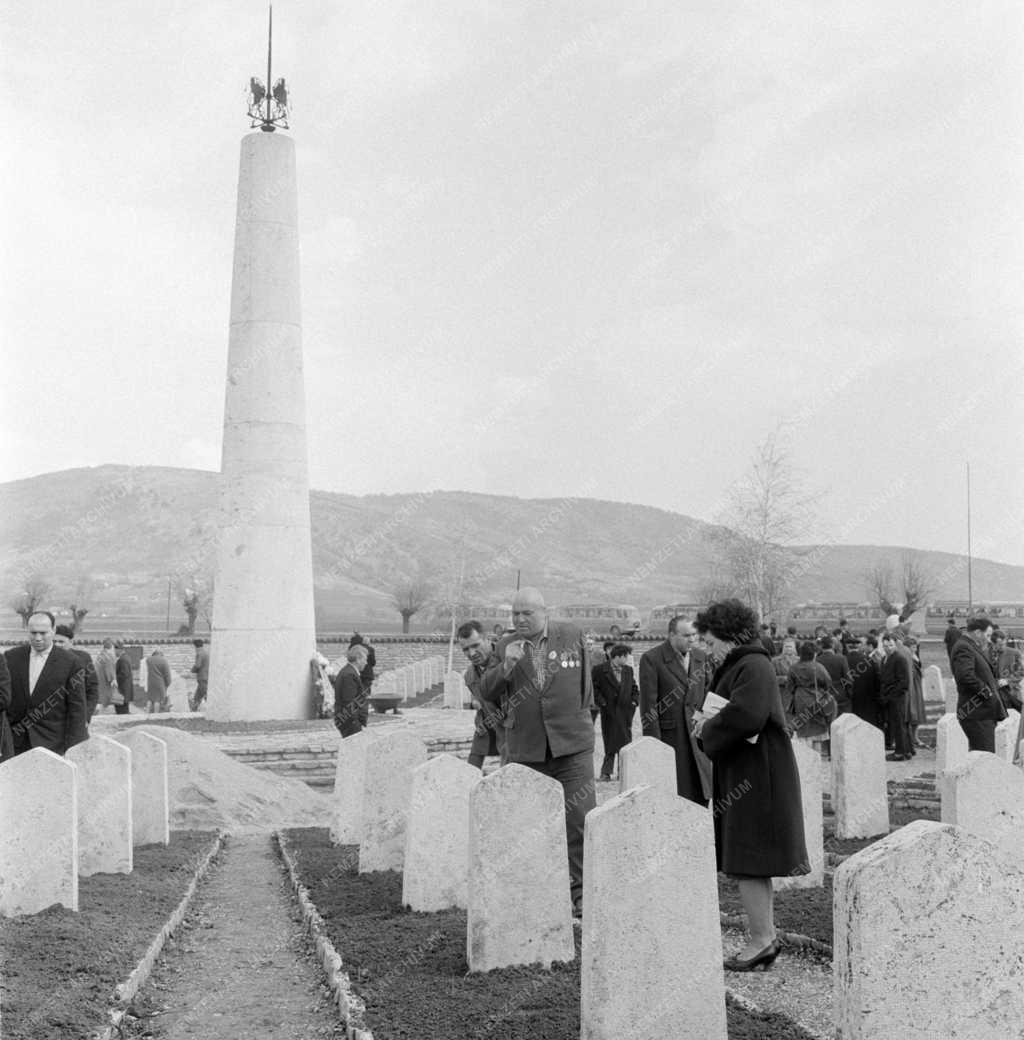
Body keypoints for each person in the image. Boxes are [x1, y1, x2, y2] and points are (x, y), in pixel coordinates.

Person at [690, 599, 808, 972]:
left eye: (710, 641)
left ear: (728, 635)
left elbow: (747, 717)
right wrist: (706, 725)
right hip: (747, 772)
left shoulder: (753, 664)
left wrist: (707, 728)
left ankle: (760, 941)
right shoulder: (740, 664)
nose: (707, 649)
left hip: (758, 776)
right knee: (750, 860)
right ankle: (765, 936)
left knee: (749, 860)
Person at [476, 587, 595, 916]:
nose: (520, 619)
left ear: (545, 612)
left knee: (579, 819)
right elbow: (486, 691)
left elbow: (587, 685)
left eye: (527, 613)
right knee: (530, 822)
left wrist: (583, 722)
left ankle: (582, 891)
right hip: (528, 749)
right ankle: (538, 889)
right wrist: (506, 667)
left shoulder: (571, 635)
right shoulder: (504, 646)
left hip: (572, 746)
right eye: (515, 614)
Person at [638, 616, 713, 806]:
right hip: (671, 740)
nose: (692, 639)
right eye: (686, 635)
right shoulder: (652, 659)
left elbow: (707, 695)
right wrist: (655, 750)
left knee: (700, 798)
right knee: (675, 800)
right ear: (671, 635)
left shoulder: (701, 657)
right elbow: (649, 709)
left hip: (698, 741)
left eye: (694, 635)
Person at [3, 611, 88, 756]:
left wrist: (74, 750)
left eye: (43, 633)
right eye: (33, 633)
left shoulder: (71, 663)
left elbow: (77, 710)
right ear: (27, 631)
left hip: (53, 745)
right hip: (14, 744)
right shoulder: (11, 658)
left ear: (53, 631)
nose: (38, 638)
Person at [951, 617, 1006, 752]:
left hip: (981, 712)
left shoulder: (970, 645)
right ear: (977, 632)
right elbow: (966, 677)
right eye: (987, 635)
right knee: (985, 756)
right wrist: (987, 693)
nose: (988, 639)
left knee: (986, 756)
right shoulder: (963, 647)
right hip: (976, 713)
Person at [457, 620, 505, 769]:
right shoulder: (470, 676)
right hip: (496, 731)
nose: (471, 653)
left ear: (487, 639)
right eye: (465, 649)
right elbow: (486, 711)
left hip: (523, 737)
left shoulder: (507, 659)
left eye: (475, 645)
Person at [592, 643, 638, 781]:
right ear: (618, 656)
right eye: (626, 657)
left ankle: (623, 772)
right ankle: (606, 772)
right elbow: (594, 689)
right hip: (609, 712)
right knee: (610, 742)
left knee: (625, 742)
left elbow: (634, 687)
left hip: (626, 712)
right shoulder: (599, 670)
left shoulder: (628, 670)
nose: (627, 660)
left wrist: (634, 701)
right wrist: (603, 703)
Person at [782, 642, 836, 742]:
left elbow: (789, 686)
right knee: (817, 728)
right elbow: (828, 682)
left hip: (799, 700)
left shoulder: (793, 667)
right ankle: (817, 754)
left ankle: (805, 753)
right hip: (817, 698)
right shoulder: (818, 667)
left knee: (802, 725)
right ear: (813, 654)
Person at [54, 623, 99, 722]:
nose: (57, 645)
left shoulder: (84, 658)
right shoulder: (44, 659)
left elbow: (92, 689)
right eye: (54, 641)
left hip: (76, 716)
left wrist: (86, 716)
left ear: (71, 642)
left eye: (61, 642)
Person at [879, 633, 913, 760]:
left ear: (896, 645)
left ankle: (900, 753)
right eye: (885, 646)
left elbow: (904, 682)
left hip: (897, 697)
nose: (888, 648)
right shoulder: (884, 659)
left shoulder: (899, 659)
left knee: (899, 725)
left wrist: (892, 696)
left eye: (891, 645)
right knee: (897, 724)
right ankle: (907, 751)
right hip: (888, 696)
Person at [847, 635, 883, 729]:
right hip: (868, 701)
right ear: (858, 647)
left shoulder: (842, 660)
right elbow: (878, 681)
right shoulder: (870, 661)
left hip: (850, 701)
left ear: (847, 647)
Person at [333, 644, 369, 737]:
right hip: (350, 723)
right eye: (365, 660)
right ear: (358, 659)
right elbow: (349, 702)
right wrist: (356, 723)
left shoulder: (349, 672)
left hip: (349, 722)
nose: (366, 663)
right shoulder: (349, 675)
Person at [816, 636, 852, 715]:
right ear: (832, 645)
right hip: (841, 696)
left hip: (824, 697)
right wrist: (849, 694)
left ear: (821, 646)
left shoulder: (817, 661)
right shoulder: (841, 658)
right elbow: (848, 679)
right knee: (843, 723)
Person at [903, 636, 926, 748]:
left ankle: (915, 736)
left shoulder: (915, 656)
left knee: (918, 710)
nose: (915, 649)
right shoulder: (907, 657)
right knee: (912, 711)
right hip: (912, 686)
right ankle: (910, 737)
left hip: (917, 684)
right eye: (913, 647)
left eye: (916, 647)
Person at [348, 633, 376, 698]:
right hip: (367, 674)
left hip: (358, 672)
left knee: (359, 690)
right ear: (369, 642)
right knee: (366, 691)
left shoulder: (355, 648)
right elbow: (373, 662)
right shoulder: (371, 649)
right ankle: (365, 702)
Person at [145, 649, 173, 714]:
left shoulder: (148, 660)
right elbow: (167, 674)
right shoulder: (163, 661)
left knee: (150, 698)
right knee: (157, 699)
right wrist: (168, 683)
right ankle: (156, 714)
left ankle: (146, 713)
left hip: (150, 682)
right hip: (160, 683)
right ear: (161, 654)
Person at [95, 638, 118, 712]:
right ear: (111, 646)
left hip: (100, 678)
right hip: (105, 680)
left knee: (102, 695)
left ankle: (101, 709)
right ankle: (104, 711)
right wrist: (113, 679)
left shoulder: (101, 654)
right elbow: (109, 669)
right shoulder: (108, 657)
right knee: (106, 697)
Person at [114, 641, 134, 715]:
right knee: (123, 710)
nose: (114, 652)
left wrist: (114, 678)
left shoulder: (122, 659)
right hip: (125, 689)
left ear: (119, 649)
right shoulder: (126, 657)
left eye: (115, 650)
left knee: (121, 713)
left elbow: (124, 674)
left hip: (122, 689)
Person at [189, 638, 209, 711]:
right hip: (206, 676)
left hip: (202, 677)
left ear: (195, 646)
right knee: (198, 696)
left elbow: (198, 665)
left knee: (207, 695)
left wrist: (192, 671)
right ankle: (193, 710)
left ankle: (214, 710)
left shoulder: (199, 653)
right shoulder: (206, 652)